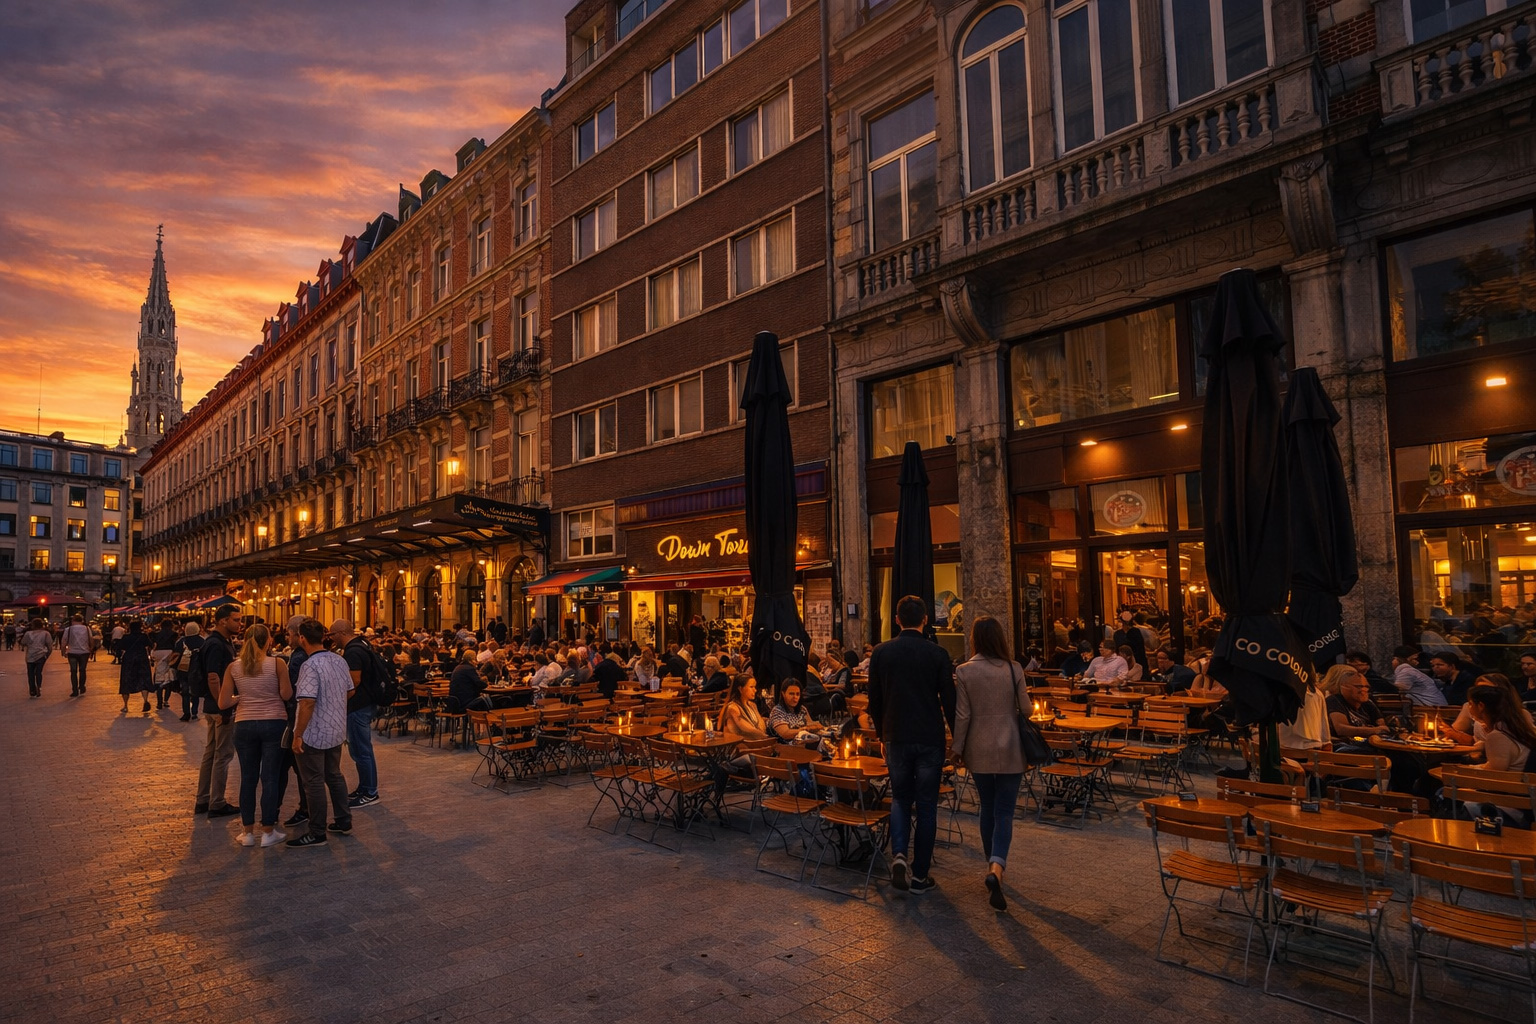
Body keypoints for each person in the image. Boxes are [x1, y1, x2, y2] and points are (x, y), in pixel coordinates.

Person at [867, 594, 956, 895]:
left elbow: (874, 699)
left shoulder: (882, 653)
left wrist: (881, 734)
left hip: (896, 736)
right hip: (929, 737)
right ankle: (920, 875)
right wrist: (957, 737)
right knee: (928, 806)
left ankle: (900, 855)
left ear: (896, 619)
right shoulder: (938, 654)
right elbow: (949, 699)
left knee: (900, 799)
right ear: (926, 620)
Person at [950, 615, 1028, 913]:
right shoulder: (1013, 668)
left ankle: (990, 863)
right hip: (1010, 746)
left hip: (978, 747)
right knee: (1005, 810)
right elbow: (1027, 709)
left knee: (987, 806)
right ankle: (997, 866)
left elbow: (962, 715)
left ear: (975, 639)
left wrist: (957, 748)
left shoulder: (965, 671)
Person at [220, 623, 293, 848]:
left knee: (248, 778)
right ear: (268, 641)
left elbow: (223, 702)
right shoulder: (277, 663)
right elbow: (286, 694)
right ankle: (268, 831)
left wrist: (241, 698)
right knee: (270, 778)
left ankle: (248, 832)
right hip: (274, 723)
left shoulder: (233, 667)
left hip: (244, 724)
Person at [288, 618, 354, 848]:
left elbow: (306, 702)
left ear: (302, 638)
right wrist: (333, 707)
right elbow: (349, 690)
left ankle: (317, 831)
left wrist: (298, 734)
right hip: (335, 728)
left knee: (313, 781)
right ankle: (344, 820)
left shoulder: (309, 665)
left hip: (315, 731)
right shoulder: (339, 659)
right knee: (334, 775)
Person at [1459, 682, 1536, 821]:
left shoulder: (1498, 734)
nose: (1468, 707)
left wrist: (1470, 770)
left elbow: (1495, 774)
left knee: (1451, 796)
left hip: (1513, 802)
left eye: (1470, 704)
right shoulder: (1515, 726)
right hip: (1523, 796)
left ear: (1481, 706)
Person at [194, 605, 242, 819]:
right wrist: (224, 703)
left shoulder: (219, 642)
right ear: (223, 621)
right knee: (223, 755)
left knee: (211, 753)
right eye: (236, 620)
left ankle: (203, 799)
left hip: (213, 707)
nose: (240, 624)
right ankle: (217, 802)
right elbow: (213, 677)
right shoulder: (216, 644)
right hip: (219, 708)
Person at [331, 620, 381, 809]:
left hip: (358, 706)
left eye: (332, 634)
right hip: (364, 705)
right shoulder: (362, 645)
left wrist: (339, 700)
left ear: (342, 633)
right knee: (359, 749)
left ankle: (370, 791)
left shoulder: (353, 651)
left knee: (362, 750)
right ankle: (364, 787)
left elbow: (354, 681)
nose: (331, 639)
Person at [713, 675, 772, 797]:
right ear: (740, 689)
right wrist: (766, 739)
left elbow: (761, 728)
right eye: (751, 687)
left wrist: (763, 737)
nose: (755, 690)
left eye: (755, 687)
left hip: (755, 749)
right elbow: (750, 730)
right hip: (737, 754)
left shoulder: (753, 706)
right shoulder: (732, 708)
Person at [769, 681, 828, 749]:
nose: (795, 697)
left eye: (797, 694)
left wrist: (818, 727)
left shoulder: (801, 709)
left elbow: (811, 724)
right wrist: (805, 729)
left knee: (828, 738)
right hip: (785, 749)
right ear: (783, 694)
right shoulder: (777, 711)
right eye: (791, 694)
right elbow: (785, 734)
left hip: (803, 745)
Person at [116, 620, 154, 714]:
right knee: (144, 679)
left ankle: (125, 706)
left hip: (129, 659)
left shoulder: (126, 637)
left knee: (126, 681)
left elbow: (120, 647)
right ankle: (145, 701)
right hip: (142, 658)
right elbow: (150, 645)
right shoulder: (143, 636)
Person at [173, 621, 205, 721]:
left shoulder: (180, 641)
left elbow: (176, 656)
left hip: (183, 671)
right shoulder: (202, 641)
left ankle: (186, 713)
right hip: (196, 670)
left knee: (185, 692)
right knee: (195, 692)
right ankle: (194, 712)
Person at [60, 614, 92, 697]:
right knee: (83, 670)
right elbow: (91, 640)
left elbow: (64, 641)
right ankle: (82, 686)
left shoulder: (68, 629)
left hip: (72, 652)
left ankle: (74, 690)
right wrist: (91, 650)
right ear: (82, 621)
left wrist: (63, 651)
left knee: (73, 671)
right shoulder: (87, 629)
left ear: (73, 620)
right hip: (84, 652)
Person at [448, 649, 488, 713]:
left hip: (455, 702)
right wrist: (486, 683)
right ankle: (487, 720)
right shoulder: (469, 668)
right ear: (471, 660)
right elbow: (480, 684)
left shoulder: (458, 667)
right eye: (475, 659)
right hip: (465, 702)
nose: (476, 661)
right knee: (486, 700)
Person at [151, 617, 179, 709]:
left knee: (159, 677)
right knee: (168, 677)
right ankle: (166, 700)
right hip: (169, 653)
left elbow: (151, 637)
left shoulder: (156, 634)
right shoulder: (174, 634)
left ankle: (159, 702)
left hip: (158, 653)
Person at [21, 618, 52, 698]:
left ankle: (32, 690)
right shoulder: (46, 633)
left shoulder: (28, 633)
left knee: (30, 673)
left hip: (30, 655)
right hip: (41, 655)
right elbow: (49, 646)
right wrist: (47, 655)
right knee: (38, 672)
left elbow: (23, 642)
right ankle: (39, 686)